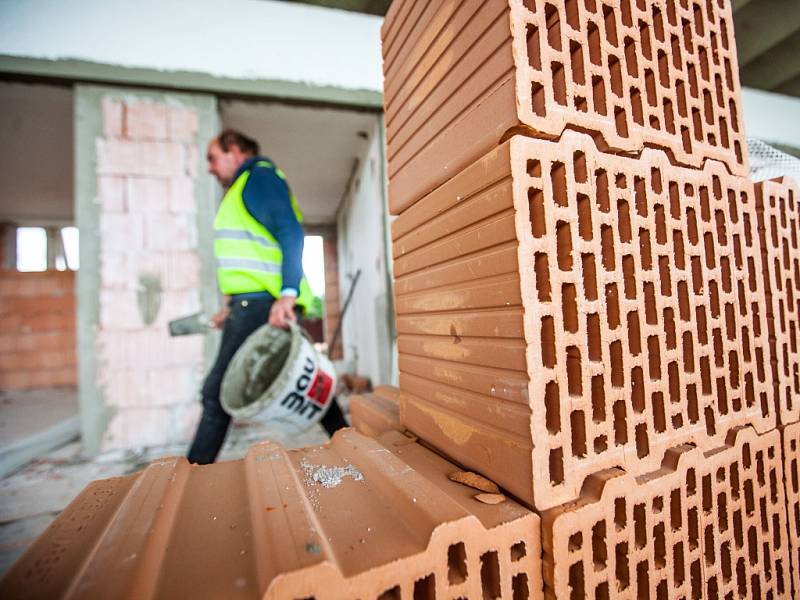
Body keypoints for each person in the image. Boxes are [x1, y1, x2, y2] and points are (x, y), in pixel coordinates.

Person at [187, 129, 347, 464]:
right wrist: (230, 305)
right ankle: (350, 441)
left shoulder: (258, 179)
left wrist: (287, 294)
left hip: (263, 304)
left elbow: (290, 233)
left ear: (234, 150)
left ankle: (190, 476)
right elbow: (254, 258)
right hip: (252, 303)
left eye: (213, 158)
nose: (210, 168)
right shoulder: (246, 187)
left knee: (215, 395)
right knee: (304, 385)